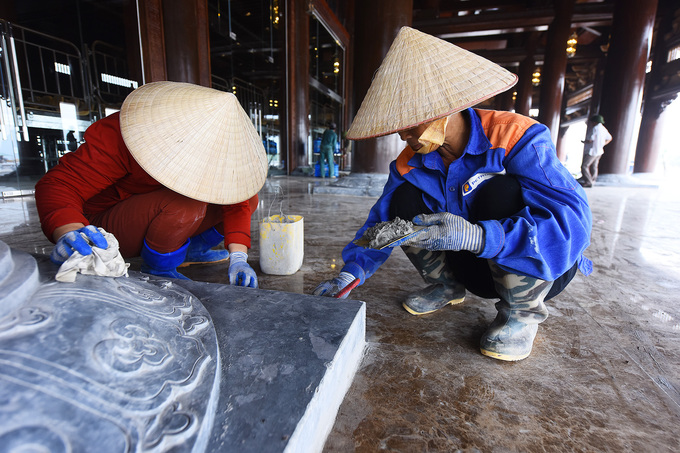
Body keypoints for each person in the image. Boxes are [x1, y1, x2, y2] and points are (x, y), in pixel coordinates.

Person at [312, 27, 593, 361]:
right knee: (403, 205)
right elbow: (382, 221)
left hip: (541, 265)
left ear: (445, 106)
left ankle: (521, 314)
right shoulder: (410, 163)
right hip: (475, 269)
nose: (403, 135)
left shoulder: (517, 136)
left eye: (409, 123)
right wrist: (350, 272)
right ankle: (446, 286)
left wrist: (477, 236)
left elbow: (573, 219)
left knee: (499, 192)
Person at [35, 81, 269, 287]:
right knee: (186, 203)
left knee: (247, 197)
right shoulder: (124, 134)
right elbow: (58, 185)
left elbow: (237, 202)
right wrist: (70, 231)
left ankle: (191, 251)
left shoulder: (219, 151)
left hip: (159, 215)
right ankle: (159, 268)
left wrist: (239, 258)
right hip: (105, 227)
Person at [578, 114, 612, 187]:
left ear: (595, 122)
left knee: (584, 166)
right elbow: (609, 138)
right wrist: (602, 144)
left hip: (592, 151)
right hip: (600, 151)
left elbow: (591, 140)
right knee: (594, 166)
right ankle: (593, 180)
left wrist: (584, 142)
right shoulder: (603, 129)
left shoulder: (595, 128)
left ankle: (588, 181)